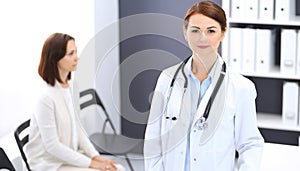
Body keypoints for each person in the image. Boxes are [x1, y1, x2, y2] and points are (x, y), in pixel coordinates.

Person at [144, 1, 264, 171]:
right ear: (185, 33)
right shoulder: (167, 79)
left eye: (211, 31)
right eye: (195, 30)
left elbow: (250, 144)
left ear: (223, 33)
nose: (202, 38)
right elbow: (153, 138)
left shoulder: (241, 88)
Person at [25, 33, 125, 171]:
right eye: (70, 54)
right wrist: (90, 164)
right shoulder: (45, 99)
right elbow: (52, 146)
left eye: (76, 52)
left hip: (66, 158)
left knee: (117, 168)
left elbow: (78, 129)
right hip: (49, 165)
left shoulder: (68, 90)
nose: (77, 58)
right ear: (56, 59)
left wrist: (96, 157)